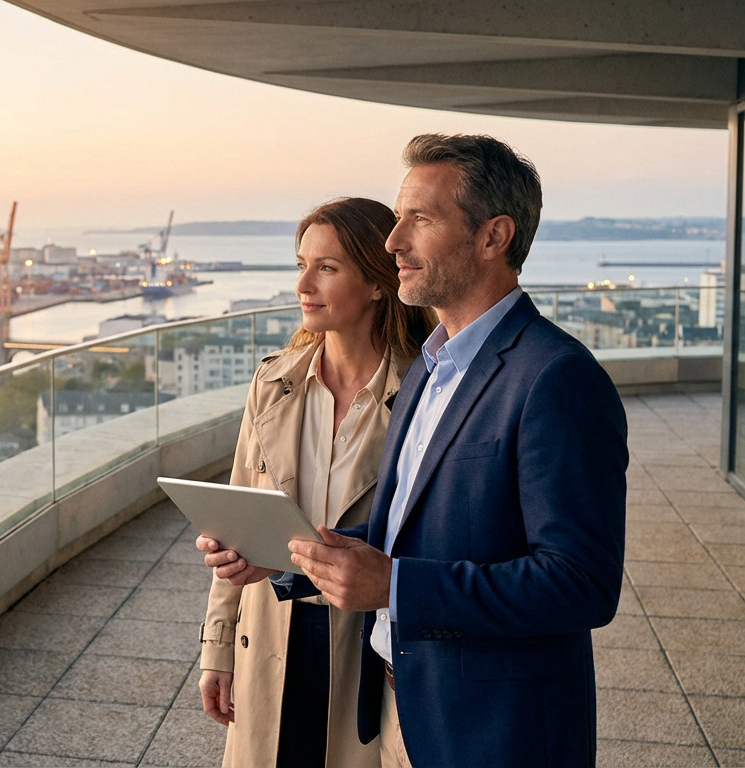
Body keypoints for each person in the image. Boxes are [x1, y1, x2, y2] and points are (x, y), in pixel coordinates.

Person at [208, 134, 628, 767]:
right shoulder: (432, 369)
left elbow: (581, 584)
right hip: (401, 714)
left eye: (419, 220)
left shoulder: (556, 378)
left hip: (489, 734)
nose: (392, 240)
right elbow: (408, 529)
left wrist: (396, 586)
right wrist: (292, 558)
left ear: (494, 237)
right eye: (398, 218)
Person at [197, 197, 435, 768]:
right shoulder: (272, 383)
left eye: (327, 267)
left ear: (378, 283)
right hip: (269, 633)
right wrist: (217, 648)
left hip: (363, 645)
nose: (304, 282)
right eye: (301, 264)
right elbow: (237, 519)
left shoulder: (423, 393)